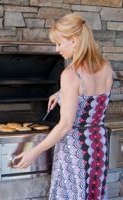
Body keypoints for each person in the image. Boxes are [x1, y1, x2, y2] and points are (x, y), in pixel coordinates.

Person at [13, 13, 113, 200]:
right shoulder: (106, 66)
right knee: (93, 194)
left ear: (74, 41)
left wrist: (34, 151)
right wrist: (61, 94)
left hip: (75, 149)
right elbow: (90, 92)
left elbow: (66, 125)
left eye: (59, 43)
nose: (57, 49)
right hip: (98, 144)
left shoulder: (70, 75)